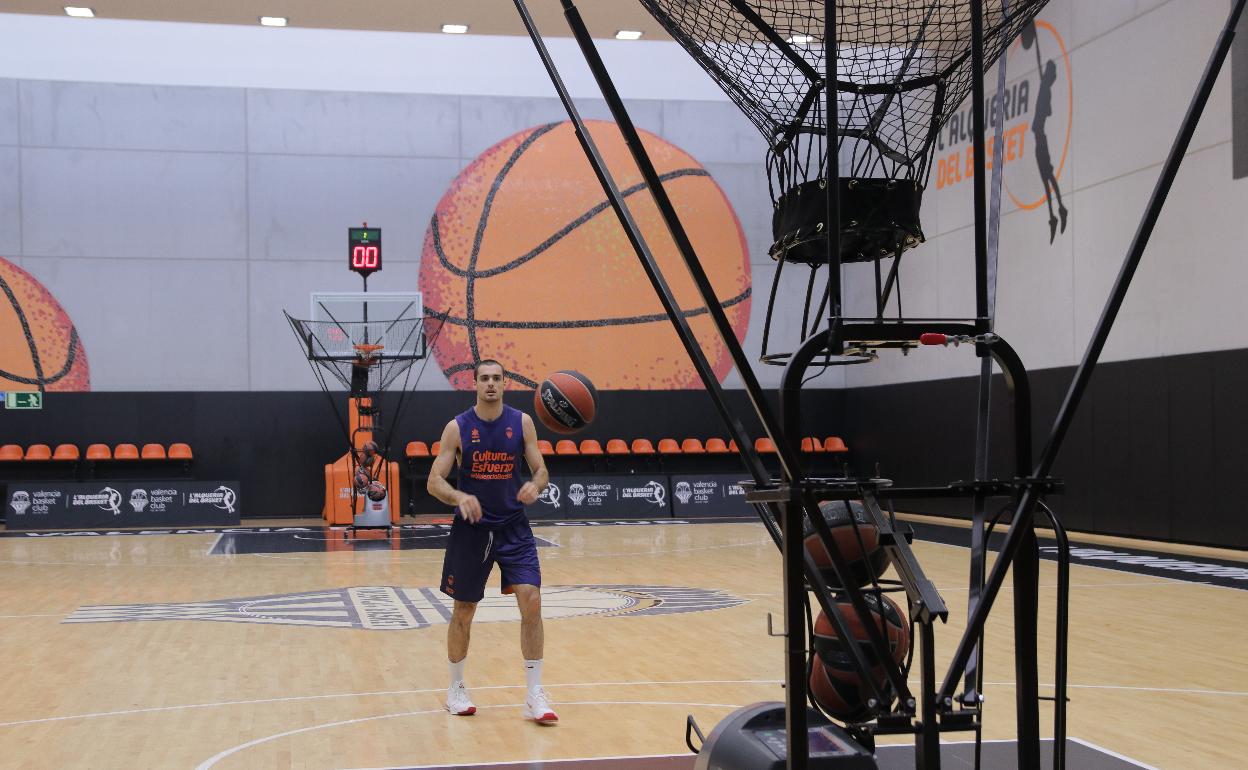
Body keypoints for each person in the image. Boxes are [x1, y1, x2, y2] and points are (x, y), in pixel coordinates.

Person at [427, 359, 557, 724]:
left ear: (504, 385)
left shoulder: (522, 423)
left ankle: (534, 693)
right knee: (464, 611)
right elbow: (434, 481)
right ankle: (456, 687)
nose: (490, 384)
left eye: (496, 379)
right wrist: (458, 497)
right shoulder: (458, 428)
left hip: (514, 527)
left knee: (531, 600)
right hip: (473, 530)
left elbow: (542, 469)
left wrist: (536, 484)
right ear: (475, 384)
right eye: (484, 378)